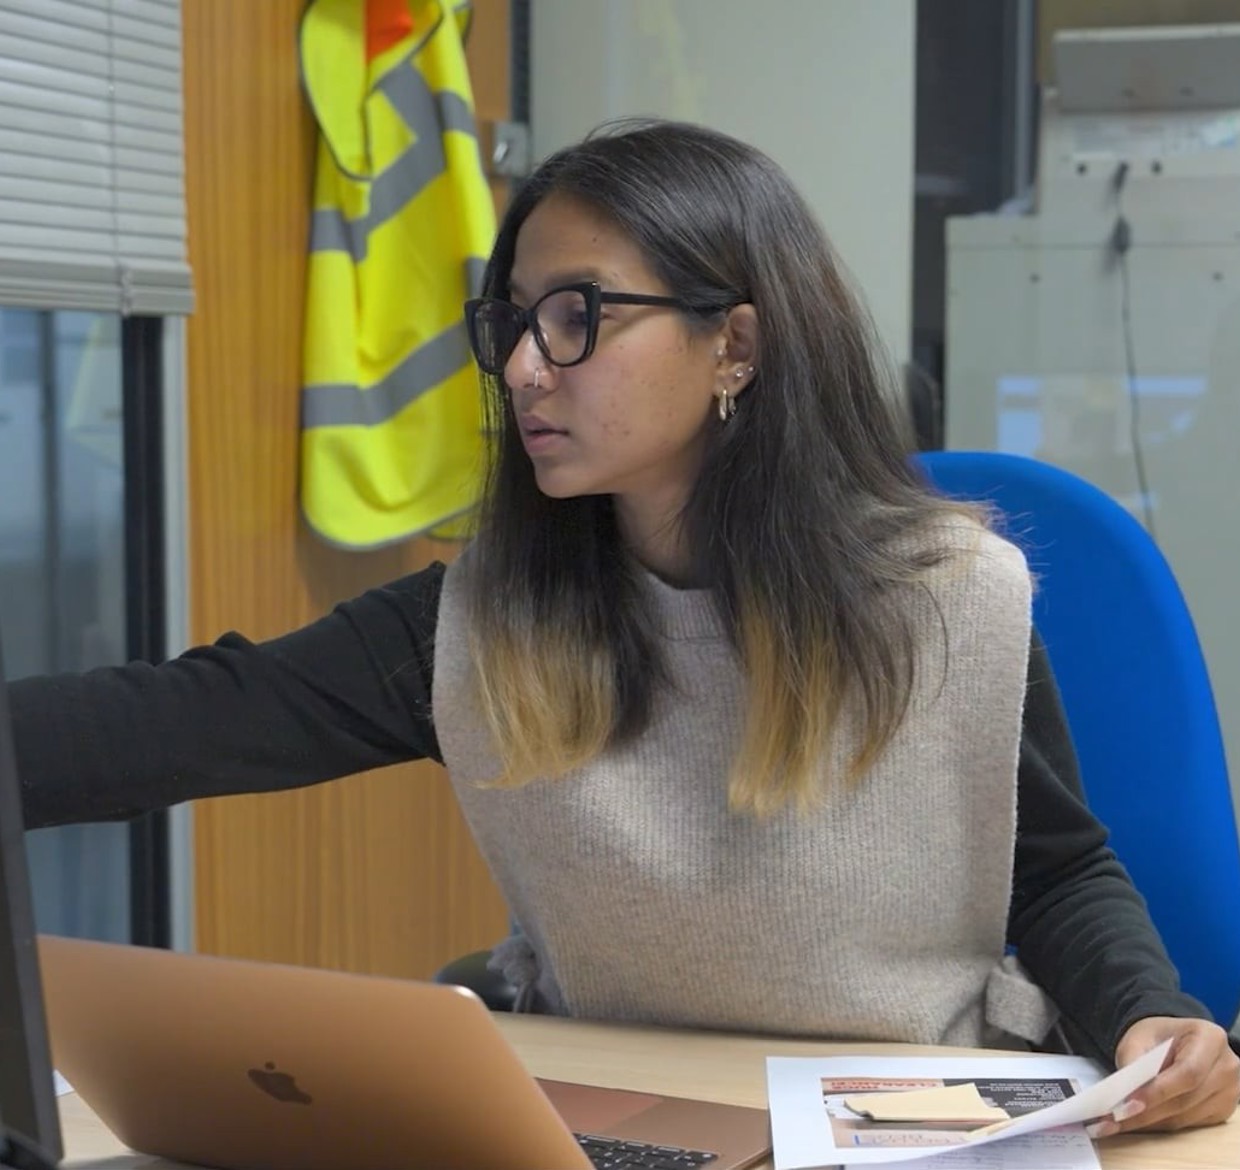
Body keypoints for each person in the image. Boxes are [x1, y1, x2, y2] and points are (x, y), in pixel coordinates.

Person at [11, 120, 1237, 1137]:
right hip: (616, 1112)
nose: (526, 370)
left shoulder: (948, 599)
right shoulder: (484, 620)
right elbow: (167, 725)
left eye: (579, 315)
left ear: (735, 346)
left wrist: (1146, 1012)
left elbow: (1055, 867)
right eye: (513, 322)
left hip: (910, 1117)